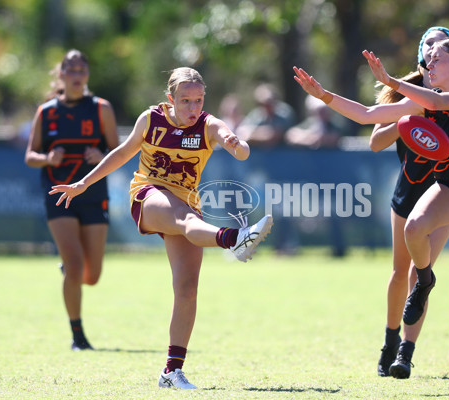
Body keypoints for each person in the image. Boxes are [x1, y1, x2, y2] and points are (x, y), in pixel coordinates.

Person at [294, 37, 449, 387]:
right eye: (426, 59)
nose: (428, 65)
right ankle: (425, 280)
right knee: (414, 226)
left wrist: (392, 82)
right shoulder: (424, 103)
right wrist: (322, 94)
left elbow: (443, 102)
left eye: (437, 59)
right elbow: (368, 116)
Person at [49, 67, 274, 389]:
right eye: (185, 101)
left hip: (186, 202)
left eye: (198, 100)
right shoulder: (151, 119)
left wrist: (236, 144)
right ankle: (236, 238)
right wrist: (83, 183)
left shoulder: (208, 124)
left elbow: (237, 145)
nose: (193, 108)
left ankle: (171, 371)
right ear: (171, 99)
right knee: (187, 221)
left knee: (187, 289)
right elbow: (123, 152)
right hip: (148, 194)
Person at [371, 27, 449, 380]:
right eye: (430, 48)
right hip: (409, 189)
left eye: (442, 49)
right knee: (398, 272)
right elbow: (376, 141)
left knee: (419, 276)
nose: (435, 54)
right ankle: (390, 341)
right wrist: (407, 121)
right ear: (422, 55)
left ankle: (405, 353)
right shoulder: (405, 94)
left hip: (447, 193)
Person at [25, 49, 120, 351]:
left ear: (87, 74)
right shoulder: (47, 112)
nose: (77, 75)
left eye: (82, 69)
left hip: (93, 195)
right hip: (58, 195)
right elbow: (30, 156)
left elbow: (119, 153)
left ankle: (71, 271)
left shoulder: (101, 108)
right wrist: (47, 159)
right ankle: (77, 336)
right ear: (62, 75)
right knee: (76, 263)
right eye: (72, 70)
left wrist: (101, 155)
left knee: (91, 276)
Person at [236, 83, 296, 148]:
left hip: (284, 153)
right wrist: (262, 133)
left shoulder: (284, 112)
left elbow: (276, 135)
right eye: (262, 103)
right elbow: (242, 133)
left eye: (269, 102)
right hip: (261, 155)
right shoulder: (256, 115)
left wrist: (255, 134)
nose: (266, 106)